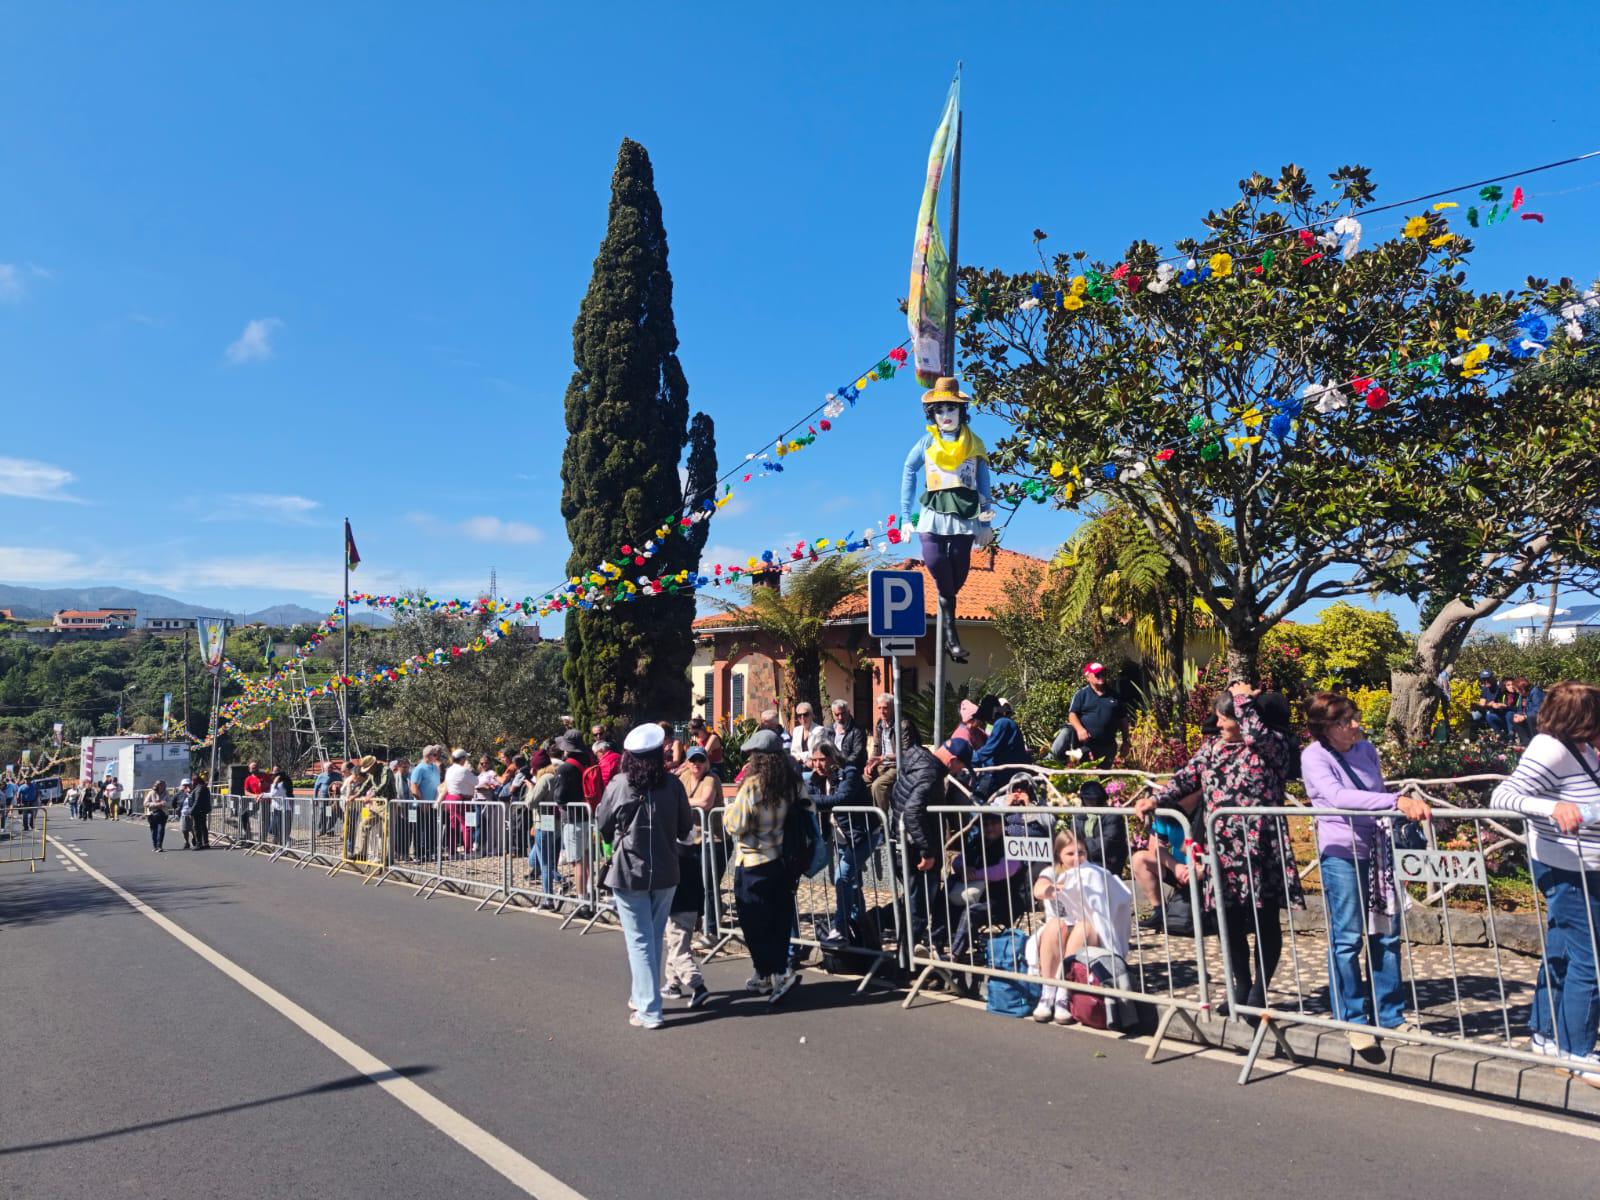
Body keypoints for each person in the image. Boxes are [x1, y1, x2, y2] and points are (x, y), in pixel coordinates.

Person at [1144, 684, 1302, 1016]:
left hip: (1261, 846)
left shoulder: (1270, 746)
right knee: (1227, 921)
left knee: (1264, 920)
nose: (1218, 726)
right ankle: (1240, 986)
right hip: (1223, 848)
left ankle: (1260, 992)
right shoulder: (1213, 749)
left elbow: (1258, 733)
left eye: (1223, 718)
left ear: (1242, 717)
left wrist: (1244, 699)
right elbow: (1185, 779)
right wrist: (1154, 799)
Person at [1301, 691, 1432, 1052]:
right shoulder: (1313, 756)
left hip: (1377, 851)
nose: (1355, 725)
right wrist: (1395, 802)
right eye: (1345, 721)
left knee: (1386, 932)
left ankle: (1391, 1015)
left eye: (1354, 716)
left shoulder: (1366, 749)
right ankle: (1353, 1019)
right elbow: (1337, 796)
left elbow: (1374, 789)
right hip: (1341, 851)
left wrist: (1391, 804)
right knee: (1347, 938)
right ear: (1325, 728)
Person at [1489, 682, 1600, 1083]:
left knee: (1564, 950)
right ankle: (1578, 1051)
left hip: (1582, 865)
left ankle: (1546, 1033)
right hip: (1569, 867)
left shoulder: (1580, 747)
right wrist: (1553, 807)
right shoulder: (1549, 748)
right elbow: (1503, 797)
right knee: (1590, 959)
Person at [596, 723, 695, 1029]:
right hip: (666, 870)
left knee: (640, 940)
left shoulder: (619, 784)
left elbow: (602, 824)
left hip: (629, 871)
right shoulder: (674, 785)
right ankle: (641, 996)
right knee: (652, 938)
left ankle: (650, 1009)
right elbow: (685, 828)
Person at [900, 375, 993, 662]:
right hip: (932, 513)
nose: (945, 415)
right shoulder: (927, 441)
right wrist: (905, 517)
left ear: (961, 411)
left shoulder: (975, 444)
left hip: (965, 515)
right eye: (939, 410)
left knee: (959, 575)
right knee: (936, 562)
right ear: (933, 414)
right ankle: (951, 635)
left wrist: (986, 524)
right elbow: (908, 470)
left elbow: (984, 483)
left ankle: (949, 622)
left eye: (950, 409)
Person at [723, 728, 807, 1002]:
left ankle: (776, 974)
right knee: (778, 920)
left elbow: (735, 824)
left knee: (754, 922)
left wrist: (727, 811)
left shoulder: (753, 786)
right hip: (782, 861)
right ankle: (770, 974)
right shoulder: (793, 784)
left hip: (754, 860)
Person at [1028, 830, 1135, 1024]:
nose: (1077, 858)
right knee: (1055, 925)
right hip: (1059, 930)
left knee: (1083, 927)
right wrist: (1050, 890)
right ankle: (1048, 992)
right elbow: (1039, 888)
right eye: (1070, 854)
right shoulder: (1052, 872)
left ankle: (1064, 992)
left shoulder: (1092, 872)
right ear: (1058, 855)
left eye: (1081, 852)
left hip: (1087, 933)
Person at [893, 735, 975, 952]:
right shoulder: (930, 775)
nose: (957, 773)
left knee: (912, 904)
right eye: (960, 767)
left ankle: (905, 957)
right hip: (915, 850)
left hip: (905, 843)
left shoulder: (916, 759)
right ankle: (906, 961)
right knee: (918, 905)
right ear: (953, 760)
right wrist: (928, 851)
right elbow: (912, 811)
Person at [808, 740, 877, 949]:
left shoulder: (849, 773)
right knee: (853, 885)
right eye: (814, 760)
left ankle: (840, 929)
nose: (817, 764)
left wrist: (805, 800)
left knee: (842, 876)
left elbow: (842, 798)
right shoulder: (817, 779)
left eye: (822, 759)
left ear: (832, 758)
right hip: (842, 838)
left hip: (862, 835)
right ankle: (865, 934)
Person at [1066, 663, 1128, 769]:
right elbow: (1072, 715)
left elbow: (1123, 719)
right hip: (1086, 747)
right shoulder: (1081, 695)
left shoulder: (1114, 695)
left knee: (1105, 779)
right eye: (1097, 674)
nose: (1101, 675)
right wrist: (1080, 729)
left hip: (1108, 747)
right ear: (1087, 677)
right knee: (1086, 778)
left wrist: (1126, 741)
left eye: (1103, 673)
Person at [866, 694, 918, 813]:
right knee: (860, 781)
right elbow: (877, 747)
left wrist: (884, 758)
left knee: (878, 786)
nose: (882, 711)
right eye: (879, 708)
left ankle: (882, 825)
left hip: (897, 766)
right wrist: (869, 764)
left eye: (885, 708)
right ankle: (867, 823)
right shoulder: (880, 724)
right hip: (882, 764)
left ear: (893, 708)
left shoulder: (903, 725)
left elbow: (907, 753)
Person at [442, 748, 476, 859]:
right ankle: (468, 850)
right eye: (465, 758)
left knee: (453, 825)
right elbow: (476, 781)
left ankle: (452, 851)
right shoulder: (464, 770)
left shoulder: (449, 770)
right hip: (461, 799)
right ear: (462, 759)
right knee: (466, 825)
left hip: (450, 798)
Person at [827, 699, 868, 771]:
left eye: (843, 714)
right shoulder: (829, 730)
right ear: (832, 714)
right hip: (832, 767)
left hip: (852, 767)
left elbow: (857, 754)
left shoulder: (857, 730)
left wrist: (841, 765)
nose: (840, 717)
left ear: (848, 712)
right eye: (837, 715)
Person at [1509, 676, 1547, 747]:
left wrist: (1525, 716)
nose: (1516, 691)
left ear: (1522, 689)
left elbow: (1539, 710)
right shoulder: (1522, 695)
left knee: (1530, 718)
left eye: (1517, 689)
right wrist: (1518, 715)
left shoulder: (1535, 692)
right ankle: (1526, 742)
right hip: (1527, 715)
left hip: (1539, 717)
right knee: (1513, 717)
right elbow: (1520, 709)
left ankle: (1535, 742)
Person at [1471, 670, 1509, 738]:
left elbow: (1504, 703)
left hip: (1502, 711)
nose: (1486, 681)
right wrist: (1476, 706)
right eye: (1484, 679)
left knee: (1490, 714)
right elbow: (1482, 704)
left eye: (1488, 679)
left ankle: (1502, 731)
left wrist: (1491, 705)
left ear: (1493, 678)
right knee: (1475, 714)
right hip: (1490, 711)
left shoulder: (1500, 687)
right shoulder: (1485, 689)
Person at [145, 780, 170, 852]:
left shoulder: (166, 793)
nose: (164, 787)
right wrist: (156, 804)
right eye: (162, 785)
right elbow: (145, 803)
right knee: (154, 830)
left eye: (164, 785)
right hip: (152, 814)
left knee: (161, 830)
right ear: (158, 786)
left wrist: (164, 803)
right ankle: (155, 846)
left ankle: (159, 846)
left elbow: (170, 803)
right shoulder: (151, 793)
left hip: (163, 813)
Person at [189, 774, 212, 849]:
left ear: (195, 781)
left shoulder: (199, 788)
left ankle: (199, 843)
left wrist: (191, 811)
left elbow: (197, 801)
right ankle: (205, 843)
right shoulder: (203, 787)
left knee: (197, 827)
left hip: (198, 811)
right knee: (203, 826)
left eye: (192, 781)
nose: (191, 782)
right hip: (202, 810)